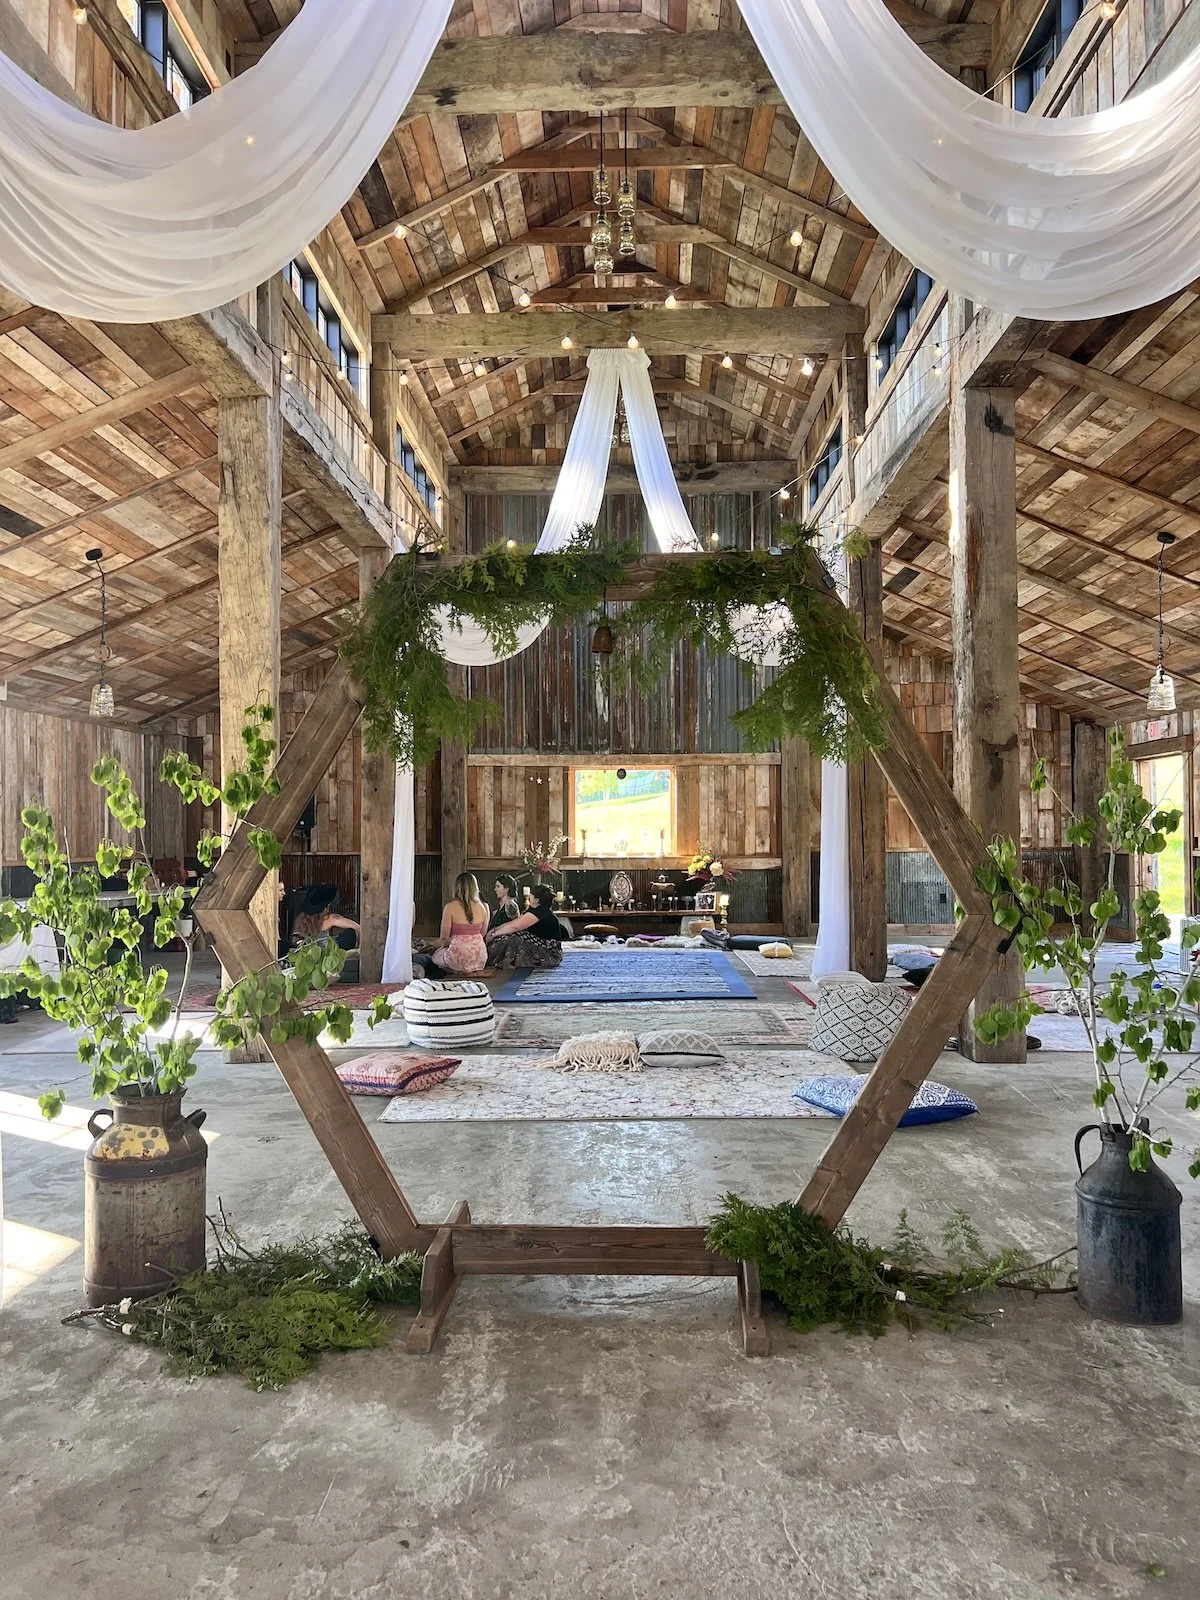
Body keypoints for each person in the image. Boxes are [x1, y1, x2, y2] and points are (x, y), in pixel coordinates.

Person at [422, 871, 490, 976]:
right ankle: (468, 969)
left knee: (436, 957)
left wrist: (432, 945)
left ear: (456, 887)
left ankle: (456, 970)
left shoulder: (450, 907)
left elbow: (444, 939)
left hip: (458, 956)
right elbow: (483, 933)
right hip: (480, 958)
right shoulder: (483, 907)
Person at [485, 882, 564, 970]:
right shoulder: (532, 910)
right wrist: (495, 930)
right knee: (511, 935)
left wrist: (493, 935)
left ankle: (491, 959)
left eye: (531, 895)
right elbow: (514, 922)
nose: (529, 896)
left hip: (549, 953)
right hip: (539, 945)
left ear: (537, 899)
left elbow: (515, 927)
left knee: (515, 937)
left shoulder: (541, 912)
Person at [291, 884, 361, 952]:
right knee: (350, 936)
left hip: (304, 955)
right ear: (328, 905)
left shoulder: (300, 919)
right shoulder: (329, 919)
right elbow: (358, 927)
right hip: (324, 957)